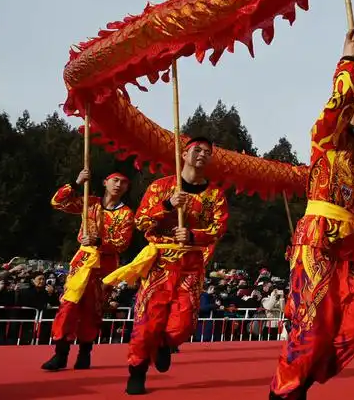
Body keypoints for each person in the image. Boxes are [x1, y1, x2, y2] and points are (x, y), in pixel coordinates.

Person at [269, 30, 354, 400]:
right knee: (311, 325)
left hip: (352, 247)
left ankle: (303, 377)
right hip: (319, 239)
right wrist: (347, 62)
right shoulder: (328, 136)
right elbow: (336, 104)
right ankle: (285, 389)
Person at [104, 135, 229, 395]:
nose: (202, 154)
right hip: (160, 262)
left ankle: (165, 343)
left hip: (192, 263)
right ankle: (137, 371)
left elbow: (218, 228)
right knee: (147, 321)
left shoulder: (215, 195)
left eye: (208, 151)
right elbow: (141, 221)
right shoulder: (162, 187)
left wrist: (194, 235)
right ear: (184, 154)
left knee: (184, 323)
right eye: (197, 149)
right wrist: (167, 205)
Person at [41, 169, 133, 371]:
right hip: (83, 260)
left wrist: (99, 241)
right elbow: (58, 202)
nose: (119, 185)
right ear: (105, 182)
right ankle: (61, 353)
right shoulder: (89, 201)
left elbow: (122, 243)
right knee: (69, 304)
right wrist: (75, 184)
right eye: (115, 180)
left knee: (93, 309)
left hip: (105, 264)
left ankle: (84, 353)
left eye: (124, 182)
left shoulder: (125, 213)